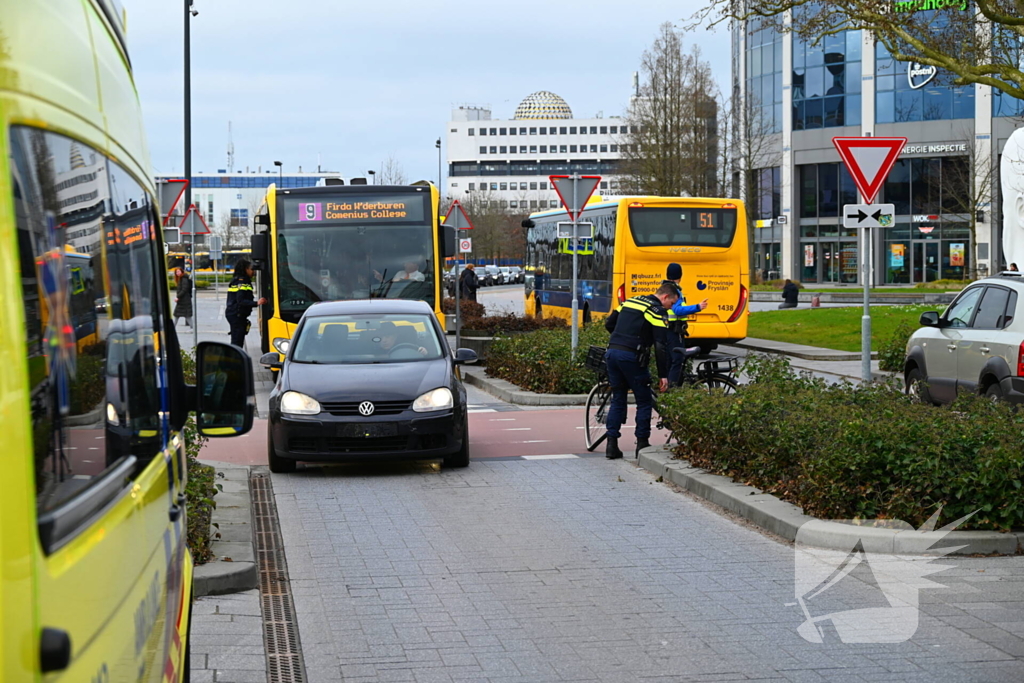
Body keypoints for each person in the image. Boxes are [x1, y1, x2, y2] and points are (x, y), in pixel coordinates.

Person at [602, 283, 680, 460]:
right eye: (672, 303)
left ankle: (611, 445)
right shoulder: (656, 311)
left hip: (612, 353)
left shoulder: (630, 301)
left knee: (618, 398)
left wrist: (621, 339)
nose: (671, 307)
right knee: (644, 400)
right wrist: (663, 375)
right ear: (665, 297)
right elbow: (661, 345)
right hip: (632, 358)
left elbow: (609, 323)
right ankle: (642, 444)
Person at [661, 263, 709, 387]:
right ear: (680, 276)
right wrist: (697, 307)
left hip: (665, 330)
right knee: (677, 360)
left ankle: (666, 387)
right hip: (674, 331)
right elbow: (677, 310)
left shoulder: (663, 287)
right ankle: (672, 389)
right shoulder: (675, 290)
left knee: (668, 361)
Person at [225, 259, 267, 349]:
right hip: (236, 315)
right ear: (245, 269)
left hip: (235, 314)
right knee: (237, 341)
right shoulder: (242, 282)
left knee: (238, 339)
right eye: (251, 269)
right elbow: (241, 300)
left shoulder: (239, 280)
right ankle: (234, 359)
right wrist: (257, 303)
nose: (253, 272)